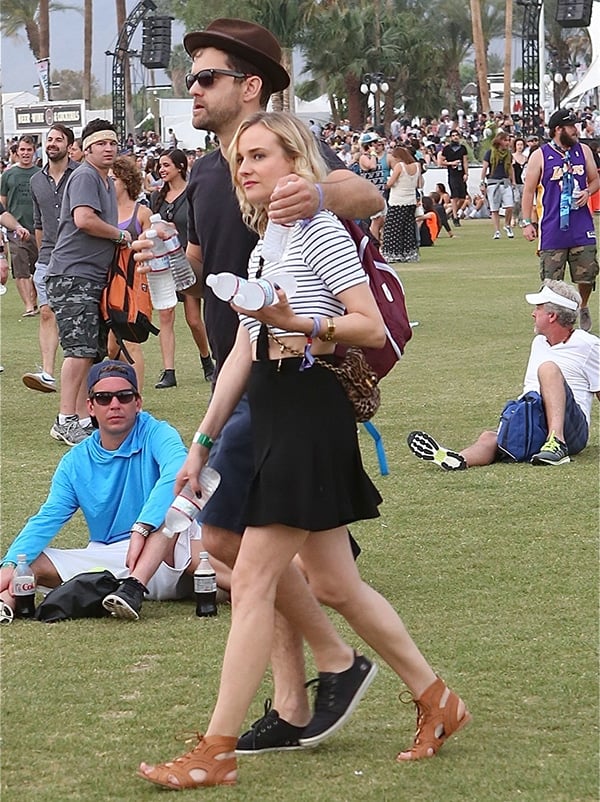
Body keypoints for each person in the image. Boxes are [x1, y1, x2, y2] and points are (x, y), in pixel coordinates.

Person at [137, 111, 470, 791]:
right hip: (272, 409)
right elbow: (240, 350)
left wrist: (301, 321)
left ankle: (218, 749)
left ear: (297, 158)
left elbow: (369, 327)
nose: (246, 169)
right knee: (333, 584)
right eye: (238, 162)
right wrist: (200, 442)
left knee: (254, 579)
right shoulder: (267, 243)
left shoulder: (318, 231)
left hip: (309, 412)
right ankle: (439, 701)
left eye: (259, 155)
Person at [131, 19, 391, 759]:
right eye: (192, 79)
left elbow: (363, 195)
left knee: (234, 546)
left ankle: (304, 691)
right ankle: (331, 684)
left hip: (286, 378)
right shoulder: (211, 170)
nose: (194, 89)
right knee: (309, 571)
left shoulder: (281, 152)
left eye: (207, 77)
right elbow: (212, 269)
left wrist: (316, 192)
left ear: (250, 85)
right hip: (241, 373)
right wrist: (167, 258)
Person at [0, 361, 229, 624]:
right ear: (91, 407)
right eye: (104, 398)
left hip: (168, 547)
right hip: (113, 558)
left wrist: (141, 527)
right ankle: (6, 602)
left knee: (174, 516)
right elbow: (47, 518)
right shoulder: (75, 461)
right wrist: (9, 564)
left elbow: (176, 474)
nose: (115, 404)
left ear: (138, 403)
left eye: (124, 396)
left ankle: (137, 586)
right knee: (30, 562)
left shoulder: (157, 432)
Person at [407, 279, 599, 470]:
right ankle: (457, 459)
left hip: (572, 429)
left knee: (547, 369)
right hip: (535, 417)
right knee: (490, 437)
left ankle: (557, 442)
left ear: (552, 316)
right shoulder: (539, 342)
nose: (533, 313)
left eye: (538, 308)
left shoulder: (588, 345)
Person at [45, 119, 128, 447]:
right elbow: (84, 219)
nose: (108, 149)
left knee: (90, 351)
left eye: (112, 143)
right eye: (101, 144)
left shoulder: (105, 181)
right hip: (72, 274)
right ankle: (65, 419)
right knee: (79, 350)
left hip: (90, 276)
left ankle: (80, 417)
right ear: (87, 148)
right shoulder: (84, 175)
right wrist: (121, 234)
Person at [521, 108, 599, 333]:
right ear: (558, 130)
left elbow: (595, 180)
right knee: (551, 279)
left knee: (587, 273)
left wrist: (587, 192)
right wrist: (527, 222)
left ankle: (582, 306)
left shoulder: (583, 151)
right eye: (572, 126)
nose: (576, 131)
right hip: (552, 226)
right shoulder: (540, 155)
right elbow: (528, 191)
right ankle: (552, 319)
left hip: (581, 225)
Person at [150, 148, 215, 388]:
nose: (162, 170)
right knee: (165, 314)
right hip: (163, 263)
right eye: (160, 166)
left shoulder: (192, 193)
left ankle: (207, 359)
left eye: (166, 165)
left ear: (179, 167)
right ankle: (169, 371)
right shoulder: (156, 197)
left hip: (188, 261)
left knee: (193, 319)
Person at [23, 124, 80, 394]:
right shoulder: (35, 180)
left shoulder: (81, 174)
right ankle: (47, 372)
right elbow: (38, 223)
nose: (52, 143)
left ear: (69, 146)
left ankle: (79, 368)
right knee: (46, 312)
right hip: (48, 256)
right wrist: (42, 254)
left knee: (73, 316)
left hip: (79, 256)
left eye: (58, 139)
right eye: (49, 139)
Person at [108, 155, 153, 390]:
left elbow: (154, 247)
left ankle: (138, 396)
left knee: (131, 339)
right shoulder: (103, 212)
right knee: (112, 346)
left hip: (134, 284)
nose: (108, 182)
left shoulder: (142, 212)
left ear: (125, 181)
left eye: (113, 178)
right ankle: (123, 387)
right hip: (109, 283)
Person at [0, 134, 40, 315]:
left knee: (38, 269)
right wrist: (11, 226)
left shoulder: (40, 174)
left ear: (34, 151)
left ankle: (35, 300)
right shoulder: (8, 175)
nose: (25, 153)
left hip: (39, 229)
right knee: (21, 269)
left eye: (29, 150)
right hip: (16, 230)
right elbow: (3, 205)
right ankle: (28, 306)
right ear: (16, 152)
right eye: (22, 150)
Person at [381, 145, 420, 263]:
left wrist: (385, 183)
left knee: (393, 228)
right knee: (407, 227)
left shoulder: (400, 166)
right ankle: (409, 252)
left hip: (398, 200)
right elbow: (419, 184)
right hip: (411, 200)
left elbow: (390, 183)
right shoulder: (417, 166)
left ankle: (393, 253)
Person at [480, 132, 516, 240]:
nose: (507, 143)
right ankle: (496, 231)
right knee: (494, 209)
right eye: (505, 140)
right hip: (493, 183)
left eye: (508, 140)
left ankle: (507, 225)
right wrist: (482, 182)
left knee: (509, 206)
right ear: (500, 141)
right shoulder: (490, 153)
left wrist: (513, 180)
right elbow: (485, 168)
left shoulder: (508, 154)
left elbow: (510, 167)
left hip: (505, 182)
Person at [437, 130, 468, 227]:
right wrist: (451, 163)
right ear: (450, 137)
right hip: (452, 175)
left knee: (463, 198)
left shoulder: (462, 148)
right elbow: (440, 162)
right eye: (453, 136)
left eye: (456, 135)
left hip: (461, 174)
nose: (455, 137)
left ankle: (453, 212)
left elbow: (465, 161)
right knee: (455, 197)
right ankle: (455, 217)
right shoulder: (447, 149)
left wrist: (466, 173)